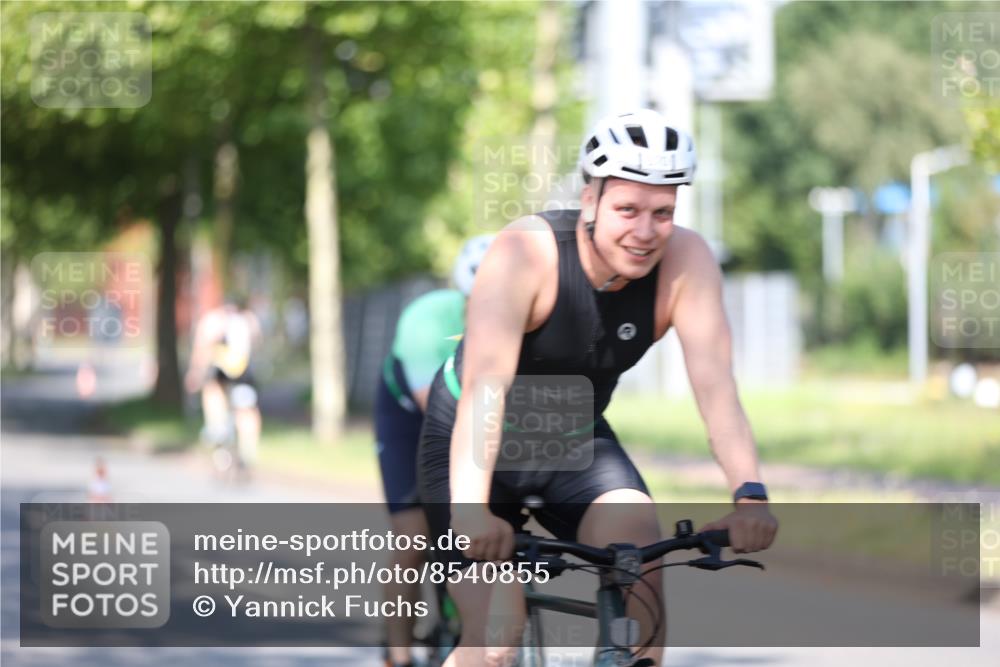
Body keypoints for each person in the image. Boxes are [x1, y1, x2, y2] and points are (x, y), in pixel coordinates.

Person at [417, 109, 779, 666]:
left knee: (642, 577)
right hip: (468, 443)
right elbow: (485, 390)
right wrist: (469, 511)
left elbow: (718, 392)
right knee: (497, 634)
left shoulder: (687, 262)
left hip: (571, 438)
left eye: (663, 212)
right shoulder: (524, 253)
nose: (645, 231)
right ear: (589, 201)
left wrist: (750, 495)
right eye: (627, 209)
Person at [374, 235, 495, 667]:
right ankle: (398, 654)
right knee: (414, 538)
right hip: (411, 417)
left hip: (477, 416)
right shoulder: (427, 318)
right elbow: (439, 412)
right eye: (475, 303)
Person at [184, 297, 262, 475]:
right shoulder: (249, 319)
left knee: (212, 390)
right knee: (247, 409)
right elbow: (258, 344)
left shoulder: (212, 319)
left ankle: (217, 427)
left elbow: (202, 348)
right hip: (243, 370)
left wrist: (195, 372)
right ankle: (249, 451)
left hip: (221, 369)